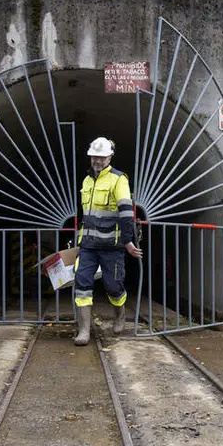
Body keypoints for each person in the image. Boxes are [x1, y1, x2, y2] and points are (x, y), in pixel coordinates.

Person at [73, 136, 143, 345]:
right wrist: (78, 242)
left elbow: (126, 212)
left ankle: (119, 315)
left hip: (112, 247)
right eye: (95, 156)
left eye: (102, 157)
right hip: (88, 247)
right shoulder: (86, 181)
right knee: (82, 284)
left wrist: (128, 242)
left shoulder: (118, 179)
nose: (97, 161)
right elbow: (85, 214)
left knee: (114, 287)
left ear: (110, 157)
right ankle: (84, 331)